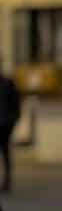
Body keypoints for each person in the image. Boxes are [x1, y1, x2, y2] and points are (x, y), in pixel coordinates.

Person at [0, 64, 19, 195]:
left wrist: (13, 120)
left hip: (5, 125)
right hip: (6, 123)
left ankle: (7, 181)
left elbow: (15, 103)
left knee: (5, 152)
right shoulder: (8, 83)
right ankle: (7, 181)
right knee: (6, 153)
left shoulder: (8, 83)